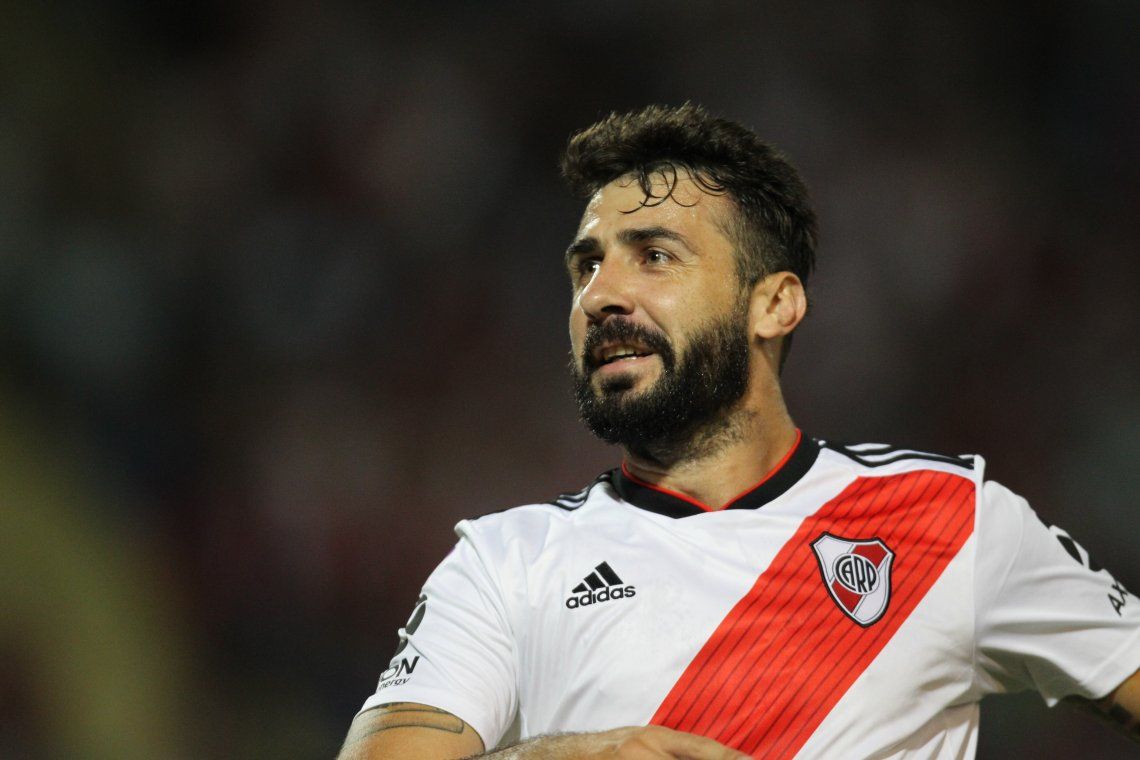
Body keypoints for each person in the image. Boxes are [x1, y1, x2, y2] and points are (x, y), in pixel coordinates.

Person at [337, 104, 1140, 759]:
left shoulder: (951, 521)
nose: (600, 295)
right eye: (586, 265)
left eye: (654, 256)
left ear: (774, 304)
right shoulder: (506, 564)